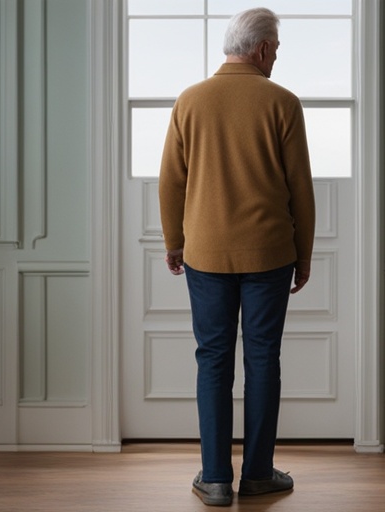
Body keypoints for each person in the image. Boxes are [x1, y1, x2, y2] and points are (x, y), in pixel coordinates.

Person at [158, 7, 315, 507]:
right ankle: (259, 475)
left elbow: (171, 182)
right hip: (271, 253)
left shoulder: (191, 100)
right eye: (276, 50)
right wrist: (304, 254)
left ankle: (215, 478)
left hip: (206, 254)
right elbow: (300, 191)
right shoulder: (283, 103)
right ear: (263, 48)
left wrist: (173, 241)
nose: (276, 58)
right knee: (264, 359)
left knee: (213, 360)